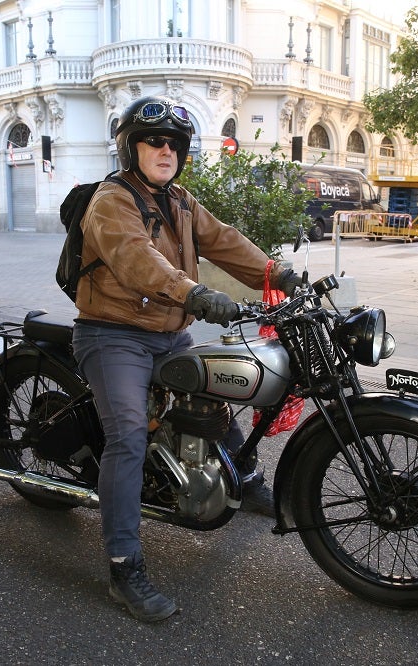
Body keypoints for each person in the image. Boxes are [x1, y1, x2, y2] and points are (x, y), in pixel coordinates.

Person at [70, 96, 302, 622]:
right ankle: (123, 564)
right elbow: (135, 259)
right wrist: (194, 293)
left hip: (168, 332)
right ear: (131, 147)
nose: (165, 150)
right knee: (128, 434)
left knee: (222, 391)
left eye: (175, 143)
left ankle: (244, 481)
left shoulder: (181, 201)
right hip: (113, 336)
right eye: (154, 141)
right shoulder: (112, 200)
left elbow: (224, 242)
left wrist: (275, 274)